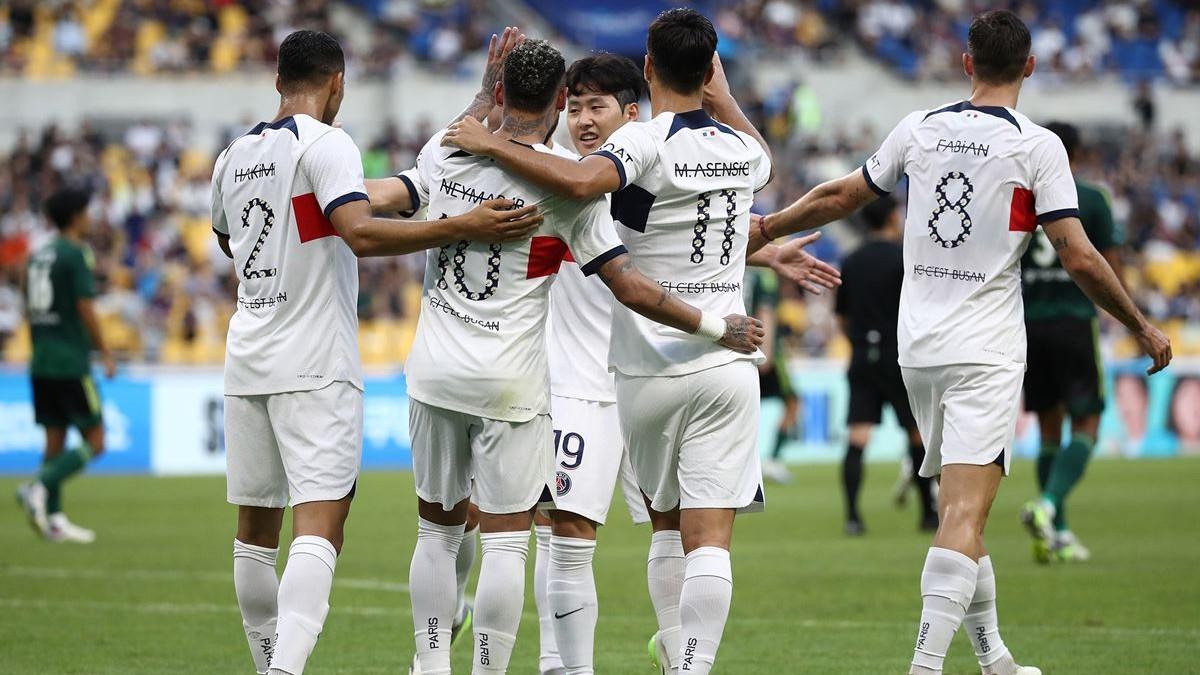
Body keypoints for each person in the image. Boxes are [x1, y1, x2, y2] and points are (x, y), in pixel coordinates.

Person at [751, 10, 1171, 675]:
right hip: (983, 352)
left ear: (967, 63)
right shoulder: (1037, 146)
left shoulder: (919, 127)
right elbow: (1080, 256)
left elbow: (842, 194)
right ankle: (924, 666)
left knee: (958, 511)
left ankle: (995, 657)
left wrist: (766, 225)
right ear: (1029, 67)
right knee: (966, 515)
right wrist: (1140, 324)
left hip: (918, 349)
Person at [387, 38, 763, 675]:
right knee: (564, 536)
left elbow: (698, 234)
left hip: (648, 374)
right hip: (577, 383)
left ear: (632, 112)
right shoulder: (558, 177)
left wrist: (766, 246)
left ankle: (678, 651)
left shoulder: (641, 171)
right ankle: (563, 665)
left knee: (668, 531)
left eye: (599, 109)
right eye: (577, 107)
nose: (586, 120)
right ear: (560, 106)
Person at [212, 30, 544, 675]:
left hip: (247, 352)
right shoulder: (329, 144)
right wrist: (461, 226)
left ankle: (266, 665)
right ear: (338, 83)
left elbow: (230, 242)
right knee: (320, 526)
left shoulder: (233, 154)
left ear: (279, 80)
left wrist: (481, 99)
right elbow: (361, 233)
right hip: (313, 363)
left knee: (254, 535)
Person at [1018, 121, 1124, 564]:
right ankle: (1047, 507)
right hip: (1074, 323)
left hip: (1028, 326)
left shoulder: (1020, 195)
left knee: (1048, 429)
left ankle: (1055, 532)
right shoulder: (1093, 198)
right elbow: (1107, 263)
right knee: (1087, 426)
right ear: (1075, 154)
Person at [16, 186, 115, 544]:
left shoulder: (38, 254)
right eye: (86, 212)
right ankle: (37, 487)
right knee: (97, 439)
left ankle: (54, 521)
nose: (89, 218)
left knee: (54, 440)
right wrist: (104, 351)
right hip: (69, 362)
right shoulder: (75, 253)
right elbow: (85, 307)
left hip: (40, 358)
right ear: (75, 217)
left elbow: (28, 303)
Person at [834, 195, 937, 535]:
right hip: (899, 357)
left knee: (858, 436)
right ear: (892, 217)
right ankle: (927, 514)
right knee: (916, 433)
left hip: (863, 355)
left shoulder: (851, 261)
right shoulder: (903, 258)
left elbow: (843, 318)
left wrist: (860, 344)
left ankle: (851, 516)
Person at [748, 267, 801, 485]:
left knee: (741, 407)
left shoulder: (729, 266)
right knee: (792, 403)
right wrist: (766, 352)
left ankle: (746, 465)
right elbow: (766, 312)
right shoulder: (764, 277)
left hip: (732, 347)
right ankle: (773, 461)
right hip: (762, 349)